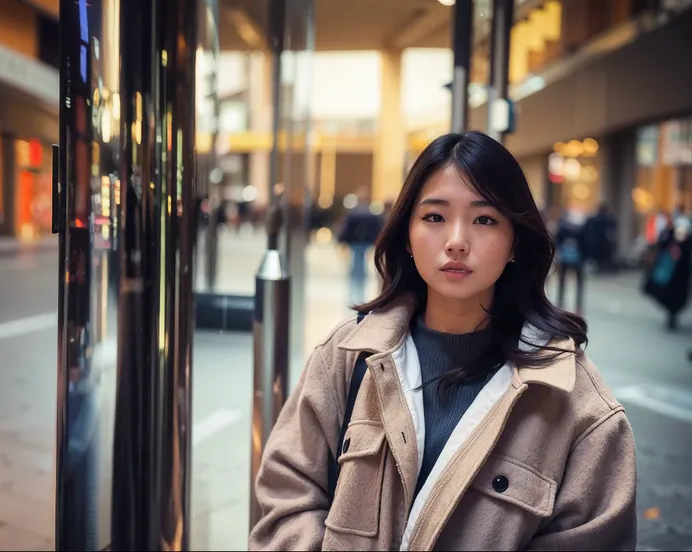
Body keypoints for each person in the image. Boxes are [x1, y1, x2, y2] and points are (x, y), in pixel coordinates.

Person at [250, 132, 637, 551]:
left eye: (484, 219)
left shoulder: (578, 405)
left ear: (514, 243)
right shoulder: (349, 357)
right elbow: (286, 495)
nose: (456, 240)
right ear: (407, 235)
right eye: (434, 217)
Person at [643, 216, 692, 331]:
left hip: (681, 275)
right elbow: (661, 246)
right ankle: (671, 315)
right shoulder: (668, 236)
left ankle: (673, 315)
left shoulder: (687, 242)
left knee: (679, 297)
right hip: (670, 274)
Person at [337, 190, 384, 305]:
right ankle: (359, 291)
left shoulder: (354, 214)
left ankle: (355, 292)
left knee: (357, 265)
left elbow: (347, 229)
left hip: (357, 243)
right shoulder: (371, 214)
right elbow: (377, 229)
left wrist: (342, 240)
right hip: (364, 242)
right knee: (360, 265)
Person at [554, 209, 588, 315]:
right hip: (578, 258)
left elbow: (557, 240)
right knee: (578, 283)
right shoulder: (582, 229)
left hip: (565, 258)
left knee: (562, 281)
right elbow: (587, 243)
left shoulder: (563, 227)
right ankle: (578, 306)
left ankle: (561, 303)